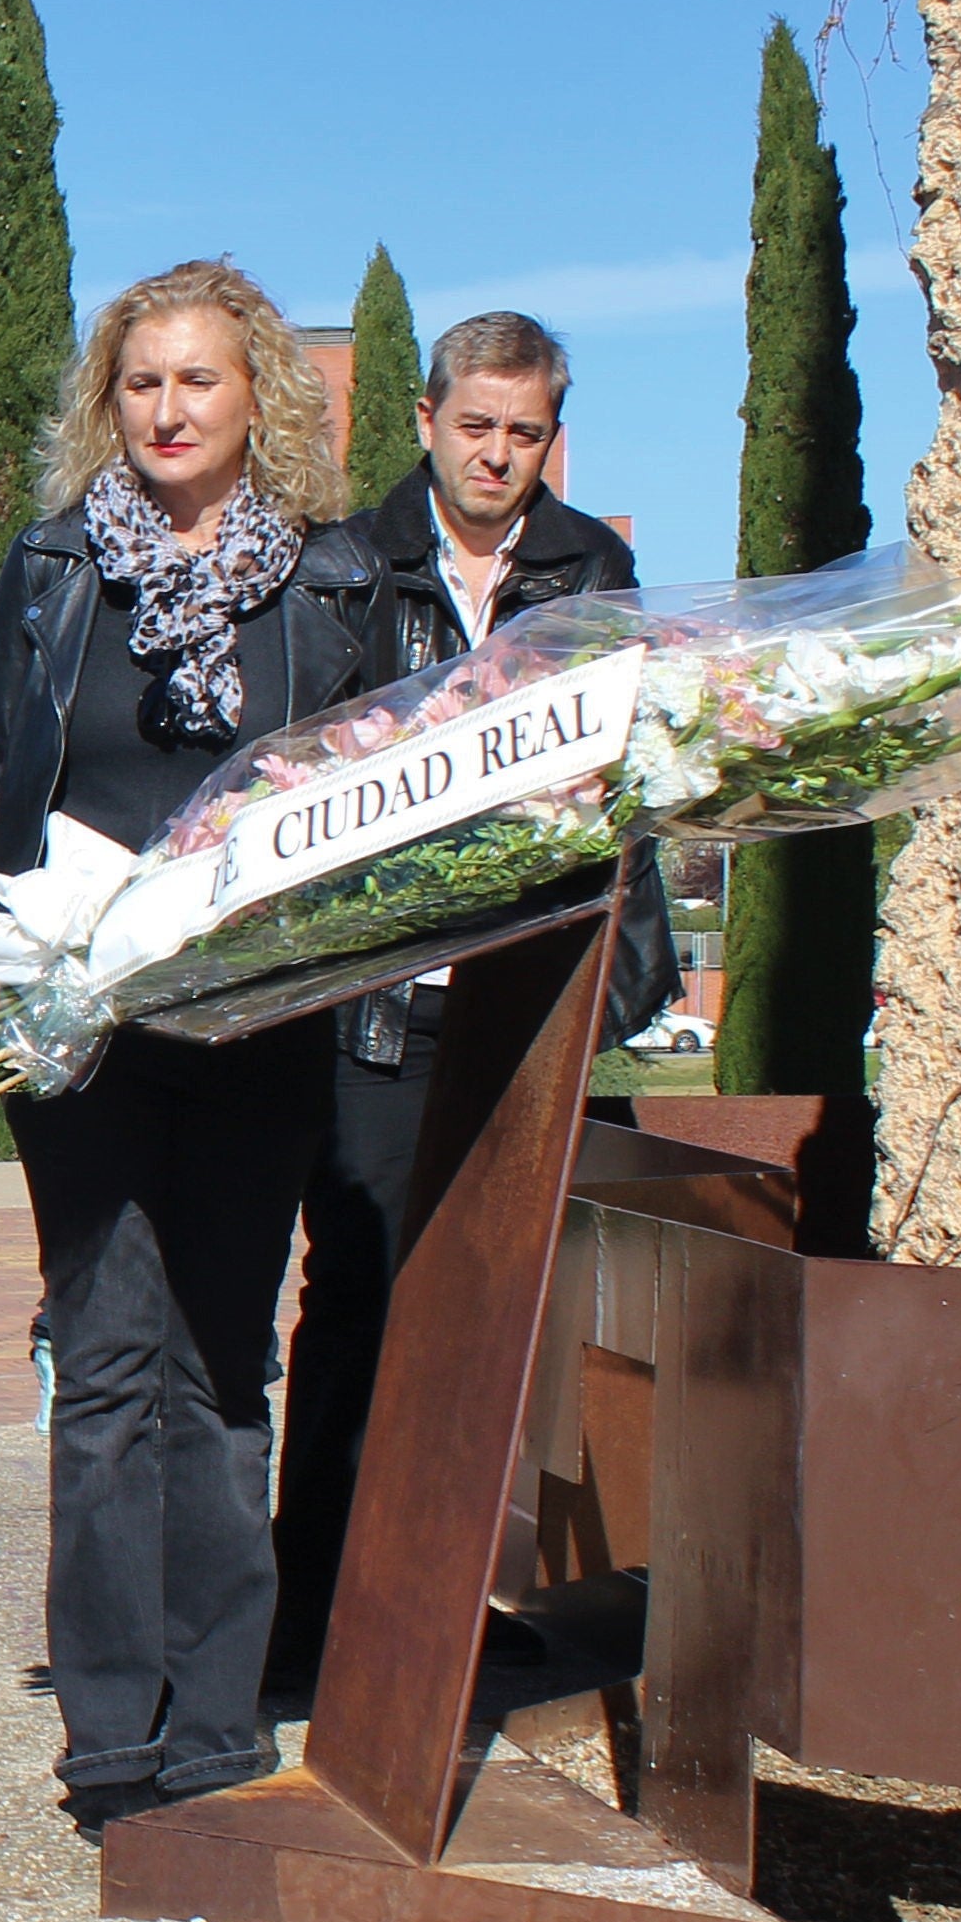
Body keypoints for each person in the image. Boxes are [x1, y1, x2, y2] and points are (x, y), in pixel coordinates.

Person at [0, 259, 391, 1833]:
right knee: (107, 1360)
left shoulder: (334, 580)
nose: (169, 408)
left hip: (256, 1028)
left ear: (258, 393)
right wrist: (51, 911)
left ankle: (216, 1716)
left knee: (221, 1363)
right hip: (91, 1030)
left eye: (199, 378)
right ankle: (111, 1730)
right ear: (109, 401)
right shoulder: (57, 564)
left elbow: (375, 795)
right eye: (142, 382)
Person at [269, 313, 678, 1694]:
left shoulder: (592, 567)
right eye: (476, 426)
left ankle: (443, 1605)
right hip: (380, 1009)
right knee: (360, 1303)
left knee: (491, 1318)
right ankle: (310, 1616)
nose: (499, 454)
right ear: (425, 421)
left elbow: (625, 771)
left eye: (525, 431)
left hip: (526, 998)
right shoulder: (345, 565)